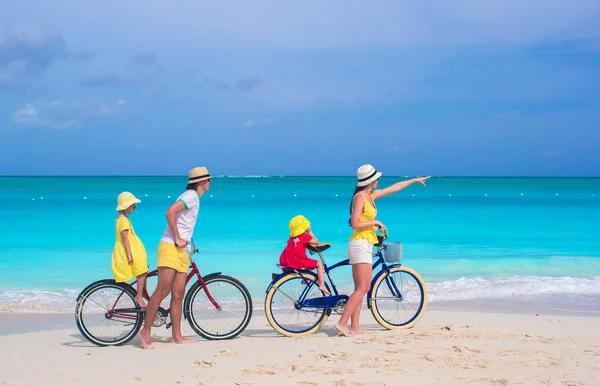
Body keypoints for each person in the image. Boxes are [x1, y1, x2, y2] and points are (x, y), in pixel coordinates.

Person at [334, 164, 430, 337]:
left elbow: (393, 188)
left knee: (360, 288)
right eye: (376, 178)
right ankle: (342, 323)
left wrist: (414, 180)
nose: (378, 180)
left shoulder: (370, 196)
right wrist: (375, 222)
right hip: (360, 243)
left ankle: (354, 326)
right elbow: (355, 223)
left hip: (365, 243)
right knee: (363, 288)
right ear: (371, 180)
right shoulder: (359, 198)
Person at [139, 166, 212, 349]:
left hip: (181, 250)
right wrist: (178, 237)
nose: (210, 183)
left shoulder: (194, 198)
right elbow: (170, 212)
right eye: (208, 180)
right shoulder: (190, 196)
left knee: (178, 294)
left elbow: (184, 221)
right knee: (162, 290)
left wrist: (186, 240)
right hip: (170, 247)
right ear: (202, 182)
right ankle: (146, 331)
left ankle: (177, 336)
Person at [112, 192, 148, 308]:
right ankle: (139, 295)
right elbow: (125, 238)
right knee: (142, 271)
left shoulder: (123, 218)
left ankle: (142, 292)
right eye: (133, 205)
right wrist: (129, 254)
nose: (134, 208)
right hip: (131, 250)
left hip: (134, 249)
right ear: (126, 206)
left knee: (143, 269)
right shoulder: (123, 221)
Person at [279, 215, 330, 295]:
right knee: (319, 264)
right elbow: (316, 242)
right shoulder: (303, 236)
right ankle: (322, 285)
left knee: (307, 262)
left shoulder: (291, 238)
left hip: (286, 261)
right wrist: (309, 232)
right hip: (297, 260)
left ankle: (305, 279)